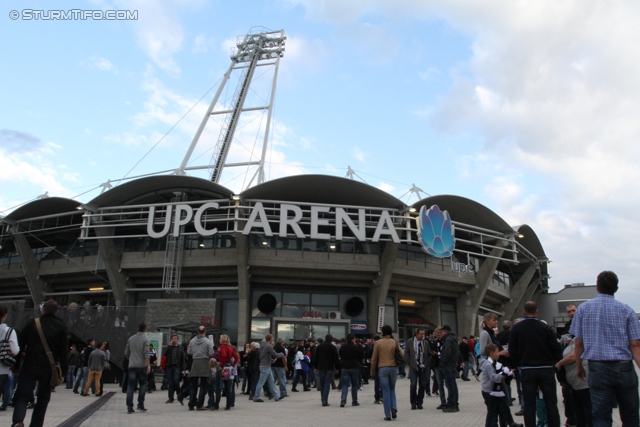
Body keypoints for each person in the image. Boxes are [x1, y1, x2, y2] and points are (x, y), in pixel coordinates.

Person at [571, 270, 640, 427]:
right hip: (624, 367)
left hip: (597, 367)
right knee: (630, 414)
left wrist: (578, 366)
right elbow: (635, 344)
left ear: (597, 286)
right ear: (616, 288)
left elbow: (579, 343)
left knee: (601, 416)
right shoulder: (627, 310)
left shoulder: (583, 309)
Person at [11, 300, 68, 427]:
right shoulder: (61, 326)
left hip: (29, 365)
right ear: (56, 311)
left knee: (22, 395)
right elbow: (64, 351)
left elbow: (20, 345)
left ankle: (18, 421)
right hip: (49, 368)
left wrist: (16, 365)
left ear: (43, 310)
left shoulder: (33, 323)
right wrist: (64, 371)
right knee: (43, 398)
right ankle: (36, 425)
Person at [509, 301, 563, 427]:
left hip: (527, 369)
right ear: (537, 311)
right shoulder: (546, 328)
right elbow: (556, 348)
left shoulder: (517, 328)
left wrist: (518, 363)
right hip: (546, 368)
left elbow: (512, 349)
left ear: (524, 311)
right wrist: (554, 363)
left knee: (529, 404)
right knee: (551, 403)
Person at [479, 343, 523, 427]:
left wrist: (507, 372)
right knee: (492, 411)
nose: (498, 353)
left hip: (496, 390)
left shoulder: (494, 363)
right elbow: (493, 377)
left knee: (504, 407)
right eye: (497, 351)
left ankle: (509, 423)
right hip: (488, 391)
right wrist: (504, 374)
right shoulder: (488, 364)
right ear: (492, 353)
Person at [555, 336, 591, 427]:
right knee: (579, 411)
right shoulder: (575, 339)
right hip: (575, 383)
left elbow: (573, 356)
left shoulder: (581, 338)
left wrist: (559, 364)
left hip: (582, 382)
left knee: (586, 410)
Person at [371, 325, 402, 421]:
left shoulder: (378, 343)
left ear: (383, 332)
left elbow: (374, 359)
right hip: (393, 367)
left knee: (385, 391)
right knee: (392, 389)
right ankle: (394, 407)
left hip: (382, 367)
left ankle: (387, 415)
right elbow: (402, 354)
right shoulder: (394, 342)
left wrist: (372, 371)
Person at [124, 322, 151, 414]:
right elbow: (146, 353)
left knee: (131, 386)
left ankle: (130, 407)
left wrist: (131, 359)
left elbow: (126, 352)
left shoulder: (131, 339)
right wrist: (148, 365)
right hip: (142, 365)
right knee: (143, 384)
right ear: (145, 329)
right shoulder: (146, 339)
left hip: (132, 365)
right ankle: (140, 404)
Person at [187, 326, 214, 410]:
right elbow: (211, 353)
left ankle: (191, 404)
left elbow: (189, 351)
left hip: (195, 362)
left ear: (197, 332)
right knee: (203, 385)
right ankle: (199, 405)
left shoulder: (192, 341)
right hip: (204, 362)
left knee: (193, 384)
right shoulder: (208, 341)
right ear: (205, 331)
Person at [404, 328, 430, 410]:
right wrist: (409, 363)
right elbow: (406, 353)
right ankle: (413, 402)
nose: (422, 336)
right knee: (413, 385)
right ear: (416, 334)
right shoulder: (410, 342)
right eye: (421, 334)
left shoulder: (425, 343)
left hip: (422, 367)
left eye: (423, 334)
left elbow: (429, 354)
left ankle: (420, 402)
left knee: (422, 385)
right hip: (413, 367)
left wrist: (426, 363)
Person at [253, 334, 283, 402]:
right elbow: (275, 354)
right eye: (272, 338)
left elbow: (262, 356)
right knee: (261, 382)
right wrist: (281, 354)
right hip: (265, 366)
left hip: (265, 365)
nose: (272, 339)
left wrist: (269, 359)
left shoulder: (262, 346)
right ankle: (256, 397)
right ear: (270, 339)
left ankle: (276, 396)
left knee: (271, 382)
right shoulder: (268, 346)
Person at [0, 305, 19, 411]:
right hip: (3, 368)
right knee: (7, 387)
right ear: (5, 316)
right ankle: (4, 404)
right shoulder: (9, 331)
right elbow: (15, 350)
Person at [439, 325, 460, 413]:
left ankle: (452, 405)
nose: (441, 334)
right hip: (453, 364)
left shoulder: (448, 339)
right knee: (453, 384)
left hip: (448, 365)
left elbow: (447, 352)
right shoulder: (454, 339)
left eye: (442, 332)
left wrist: (443, 362)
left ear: (445, 331)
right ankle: (454, 403)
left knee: (450, 385)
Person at [315, 334, 340, 407]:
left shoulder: (319, 347)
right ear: (331, 340)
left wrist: (315, 367)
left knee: (322, 383)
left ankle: (323, 399)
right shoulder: (332, 347)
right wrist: (337, 368)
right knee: (327, 384)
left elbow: (316, 357)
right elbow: (336, 358)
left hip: (321, 367)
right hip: (329, 367)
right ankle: (325, 400)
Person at [339, 333, 363, 407]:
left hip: (345, 367)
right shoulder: (356, 347)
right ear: (353, 339)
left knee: (345, 385)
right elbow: (360, 356)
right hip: (354, 366)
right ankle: (354, 401)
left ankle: (343, 400)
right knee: (354, 385)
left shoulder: (343, 347)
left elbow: (340, 355)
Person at [217, 334, 238, 410]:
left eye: (220, 338)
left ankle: (217, 404)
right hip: (230, 367)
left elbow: (224, 356)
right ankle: (228, 404)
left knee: (221, 385)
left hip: (224, 367)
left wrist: (221, 366)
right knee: (229, 386)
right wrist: (232, 365)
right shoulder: (230, 347)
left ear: (223, 340)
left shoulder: (222, 347)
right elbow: (236, 357)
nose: (219, 340)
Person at [162, 334, 185, 404]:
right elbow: (164, 354)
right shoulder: (169, 347)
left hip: (177, 366)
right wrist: (168, 346)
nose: (174, 340)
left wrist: (183, 368)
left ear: (177, 339)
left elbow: (182, 359)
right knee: (170, 382)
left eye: (175, 338)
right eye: (173, 338)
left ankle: (179, 393)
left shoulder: (180, 347)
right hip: (169, 366)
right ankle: (170, 398)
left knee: (176, 380)